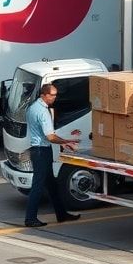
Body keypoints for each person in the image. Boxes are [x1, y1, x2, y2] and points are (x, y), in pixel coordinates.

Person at [24, 83, 81, 228]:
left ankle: (62, 214)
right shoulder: (43, 112)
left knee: (51, 185)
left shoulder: (32, 108)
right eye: (52, 95)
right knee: (38, 186)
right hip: (42, 151)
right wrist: (65, 141)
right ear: (44, 95)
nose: (54, 98)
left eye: (55, 95)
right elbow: (50, 137)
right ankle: (30, 218)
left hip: (36, 149)